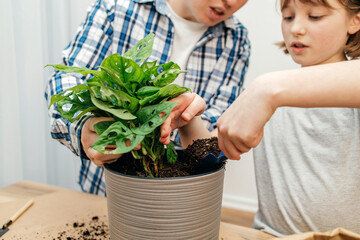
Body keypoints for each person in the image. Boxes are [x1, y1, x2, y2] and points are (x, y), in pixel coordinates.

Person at [161, 0, 360, 236]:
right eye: (288, 17)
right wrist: (188, 116)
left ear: (355, 20)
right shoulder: (264, 101)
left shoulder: (271, 92)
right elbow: (206, 155)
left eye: (315, 16)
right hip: (268, 234)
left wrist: (269, 89)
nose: (296, 28)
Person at [45, 0, 250, 195]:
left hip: (183, 200)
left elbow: (216, 133)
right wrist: (83, 127)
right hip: (105, 193)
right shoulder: (116, 7)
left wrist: (188, 117)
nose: (230, 2)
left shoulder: (236, 39)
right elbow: (66, 83)